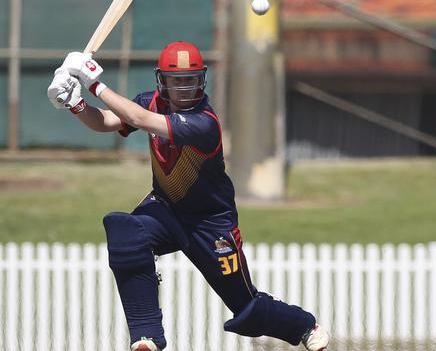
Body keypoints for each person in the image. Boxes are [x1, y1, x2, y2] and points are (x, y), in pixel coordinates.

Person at [46, 41, 330, 351]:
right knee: (126, 233)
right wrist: (75, 103)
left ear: (201, 79)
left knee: (247, 310)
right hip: (166, 208)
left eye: (191, 79)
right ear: (162, 80)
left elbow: (141, 120)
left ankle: (304, 325)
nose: (184, 87)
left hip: (211, 223)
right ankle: (146, 337)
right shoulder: (150, 102)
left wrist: (93, 82)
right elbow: (108, 122)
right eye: (176, 80)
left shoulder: (204, 122)